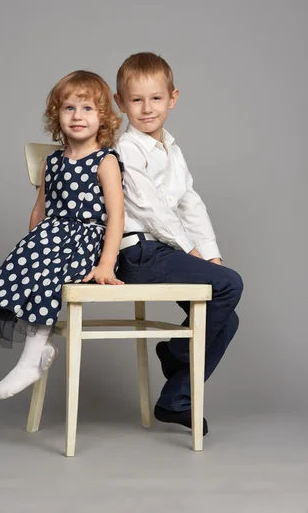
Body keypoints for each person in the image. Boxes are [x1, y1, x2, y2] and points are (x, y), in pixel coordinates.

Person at [114, 52, 243, 435]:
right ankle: (175, 352)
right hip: (140, 253)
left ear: (173, 98)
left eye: (155, 98)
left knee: (226, 318)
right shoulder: (127, 148)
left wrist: (211, 254)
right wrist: (191, 250)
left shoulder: (172, 148)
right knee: (230, 285)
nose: (146, 108)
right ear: (121, 103)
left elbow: (189, 201)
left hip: (166, 251)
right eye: (136, 100)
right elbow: (152, 210)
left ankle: (175, 399)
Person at [0, 70, 124, 399]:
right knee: (19, 267)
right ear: (56, 115)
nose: (78, 116)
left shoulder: (105, 161)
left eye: (87, 109)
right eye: (69, 108)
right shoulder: (53, 162)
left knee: (48, 273)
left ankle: (31, 361)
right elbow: (40, 208)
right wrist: (33, 245)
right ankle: (39, 350)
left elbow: (117, 214)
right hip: (51, 236)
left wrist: (107, 264)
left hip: (85, 240)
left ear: (102, 117)